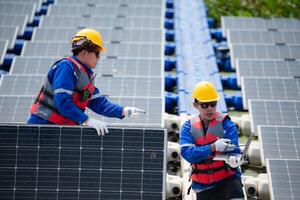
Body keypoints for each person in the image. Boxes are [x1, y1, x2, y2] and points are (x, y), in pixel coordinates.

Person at [27, 28, 145, 136]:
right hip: (42, 127)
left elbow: (100, 104)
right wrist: (87, 120)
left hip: (61, 130)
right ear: (84, 52)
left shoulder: (86, 75)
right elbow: (62, 101)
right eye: (97, 53)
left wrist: (124, 111)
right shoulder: (65, 67)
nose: (99, 58)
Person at [180, 81, 244, 200]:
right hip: (203, 187)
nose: (209, 108)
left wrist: (234, 160)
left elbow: (235, 151)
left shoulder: (227, 125)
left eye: (213, 104)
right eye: (204, 105)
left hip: (228, 182)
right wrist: (212, 147)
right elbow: (188, 154)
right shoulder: (187, 128)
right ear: (195, 105)